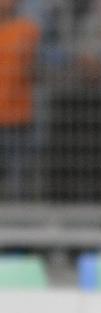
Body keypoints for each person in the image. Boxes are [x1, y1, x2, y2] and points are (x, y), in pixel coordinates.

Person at [0, 0, 40, 199]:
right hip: (11, 114)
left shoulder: (27, 30)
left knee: (18, 176)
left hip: (18, 115)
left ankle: (19, 211)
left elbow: (34, 70)